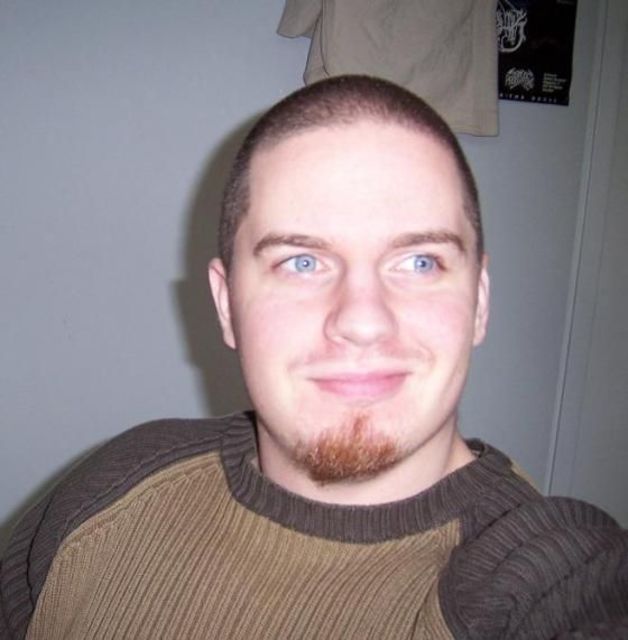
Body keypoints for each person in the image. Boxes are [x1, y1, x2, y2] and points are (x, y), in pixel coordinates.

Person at [1, 75, 626, 639]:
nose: (362, 320)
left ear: (480, 300)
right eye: (302, 262)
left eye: (418, 262)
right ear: (226, 305)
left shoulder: (536, 577)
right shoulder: (114, 488)